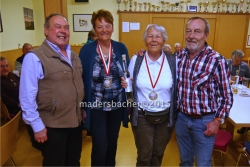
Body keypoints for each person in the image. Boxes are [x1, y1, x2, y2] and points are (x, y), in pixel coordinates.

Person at [19, 13, 84, 166]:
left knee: (73, 162)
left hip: (75, 123)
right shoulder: (34, 57)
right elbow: (26, 97)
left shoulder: (73, 55)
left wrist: (82, 109)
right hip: (52, 127)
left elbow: (77, 86)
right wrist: (36, 125)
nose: (63, 31)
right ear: (46, 30)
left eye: (66, 28)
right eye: (58, 27)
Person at [176, 17, 233, 166]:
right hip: (182, 119)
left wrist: (217, 120)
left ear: (206, 35)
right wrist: (143, 53)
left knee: (203, 163)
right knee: (185, 161)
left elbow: (226, 95)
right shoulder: (179, 57)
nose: (191, 36)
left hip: (205, 122)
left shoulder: (217, 60)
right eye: (188, 31)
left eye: (197, 32)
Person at [79, 9, 129, 166]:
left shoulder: (121, 48)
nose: (104, 30)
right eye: (99, 26)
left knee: (112, 143)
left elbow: (127, 73)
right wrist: (82, 106)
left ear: (113, 28)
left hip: (117, 106)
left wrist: (127, 82)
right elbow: (81, 80)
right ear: (94, 29)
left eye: (107, 26)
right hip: (96, 106)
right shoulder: (87, 50)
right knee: (100, 145)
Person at [122, 24, 177, 166]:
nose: (154, 40)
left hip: (165, 116)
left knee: (158, 153)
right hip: (141, 115)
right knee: (144, 155)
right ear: (145, 40)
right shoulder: (136, 60)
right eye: (150, 36)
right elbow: (129, 83)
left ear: (163, 40)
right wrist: (125, 83)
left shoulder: (173, 61)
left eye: (158, 36)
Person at [227, 50, 250, 134]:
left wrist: (243, 79)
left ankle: (245, 126)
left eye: (241, 60)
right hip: (227, 88)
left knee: (245, 107)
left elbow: (249, 78)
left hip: (241, 91)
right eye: (237, 61)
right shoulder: (226, 63)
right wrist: (229, 78)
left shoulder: (245, 66)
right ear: (232, 59)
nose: (239, 62)